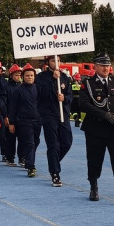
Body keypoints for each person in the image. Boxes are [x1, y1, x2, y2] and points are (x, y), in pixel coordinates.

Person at [80, 53, 114, 203]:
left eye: (107, 65)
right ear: (95, 66)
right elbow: (83, 104)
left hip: (113, 127)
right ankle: (94, 187)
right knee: (95, 159)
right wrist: (103, 115)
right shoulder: (88, 83)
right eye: (102, 65)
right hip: (95, 127)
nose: (105, 68)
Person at [36, 55, 74, 186]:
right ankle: (55, 173)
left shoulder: (64, 77)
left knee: (67, 142)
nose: (56, 63)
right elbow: (41, 94)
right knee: (53, 145)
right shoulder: (41, 77)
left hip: (62, 113)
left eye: (58, 60)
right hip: (48, 114)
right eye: (53, 61)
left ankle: (54, 162)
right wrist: (53, 81)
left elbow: (70, 96)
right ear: (48, 63)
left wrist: (65, 98)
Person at [7, 64, 41, 177]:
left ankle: (27, 157)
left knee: (36, 142)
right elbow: (13, 108)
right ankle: (31, 166)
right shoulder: (18, 91)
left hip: (37, 120)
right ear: (23, 77)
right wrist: (11, 122)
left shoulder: (38, 89)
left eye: (31, 75)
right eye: (27, 75)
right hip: (24, 121)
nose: (29, 77)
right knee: (30, 143)